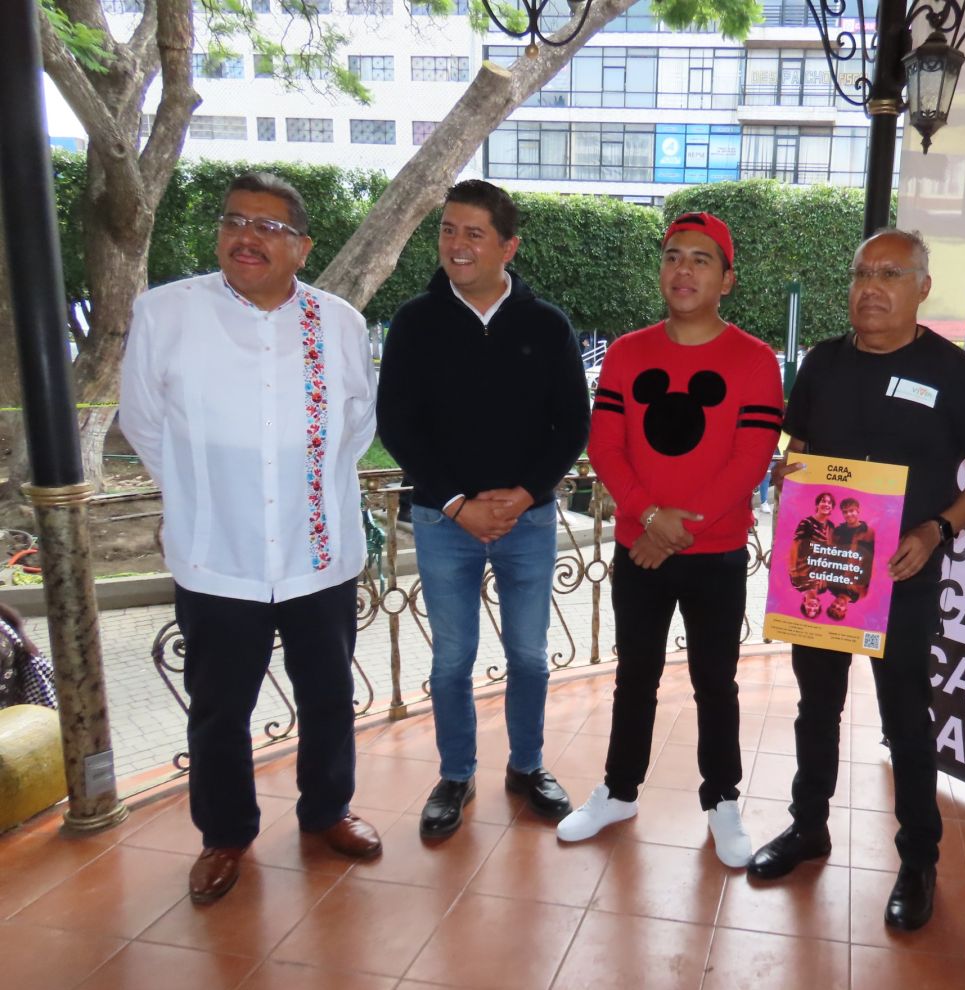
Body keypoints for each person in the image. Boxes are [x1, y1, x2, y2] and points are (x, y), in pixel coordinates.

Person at [119, 172, 382, 904]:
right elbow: (142, 422)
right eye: (235, 221)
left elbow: (357, 424)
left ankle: (328, 810)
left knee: (328, 694)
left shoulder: (338, 322)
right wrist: (201, 492)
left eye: (268, 227)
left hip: (316, 554)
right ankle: (225, 834)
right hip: (219, 556)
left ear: (302, 247)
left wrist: (308, 484)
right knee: (218, 707)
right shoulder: (166, 312)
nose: (247, 237)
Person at [747, 229, 965, 933]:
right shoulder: (824, 363)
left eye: (890, 275)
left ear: (923, 288)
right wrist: (792, 476)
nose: (871, 288)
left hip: (902, 576)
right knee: (816, 708)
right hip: (825, 571)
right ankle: (808, 827)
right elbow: (800, 449)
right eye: (862, 272)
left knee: (906, 721)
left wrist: (937, 530)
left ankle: (918, 859)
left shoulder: (951, 371)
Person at [557, 212, 783, 867]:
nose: (683, 270)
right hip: (640, 549)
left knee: (716, 681)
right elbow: (606, 445)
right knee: (635, 676)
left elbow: (749, 460)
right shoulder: (627, 353)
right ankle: (618, 791)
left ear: (727, 279)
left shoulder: (754, 360)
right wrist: (649, 515)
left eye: (701, 259)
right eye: (673, 256)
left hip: (715, 553)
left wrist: (675, 529)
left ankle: (723, 799)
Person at [377, 180, 589, 837]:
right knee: (451, 660)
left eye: (474, 233)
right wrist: (456, 503)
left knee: (528, 654)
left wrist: (525, 493)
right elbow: (398, 424)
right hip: (444, 522)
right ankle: (456, 774)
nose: (457, 244)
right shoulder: (415, 322)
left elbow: (571, 425)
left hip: (528, 520)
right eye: (448, 230)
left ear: (507, 246)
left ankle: (527, 766)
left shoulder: (546, 324)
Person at [788, 491, 835, 588]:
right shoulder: (806, 523)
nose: (826, 504)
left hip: (819, 575)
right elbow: (795, 546)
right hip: (803, 572)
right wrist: (793, 570)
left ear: (832, 507)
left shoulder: (831, 526)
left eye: (829, 503)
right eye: (823, 501)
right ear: (817, 505)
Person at [832, 496, 876, 598]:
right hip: (837, 579)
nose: (848, 514)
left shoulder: (868, 532)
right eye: (845, 512)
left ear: (858, 510)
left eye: (851, 511)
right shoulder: (838, 531)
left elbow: (869, 561)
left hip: (857, 581)